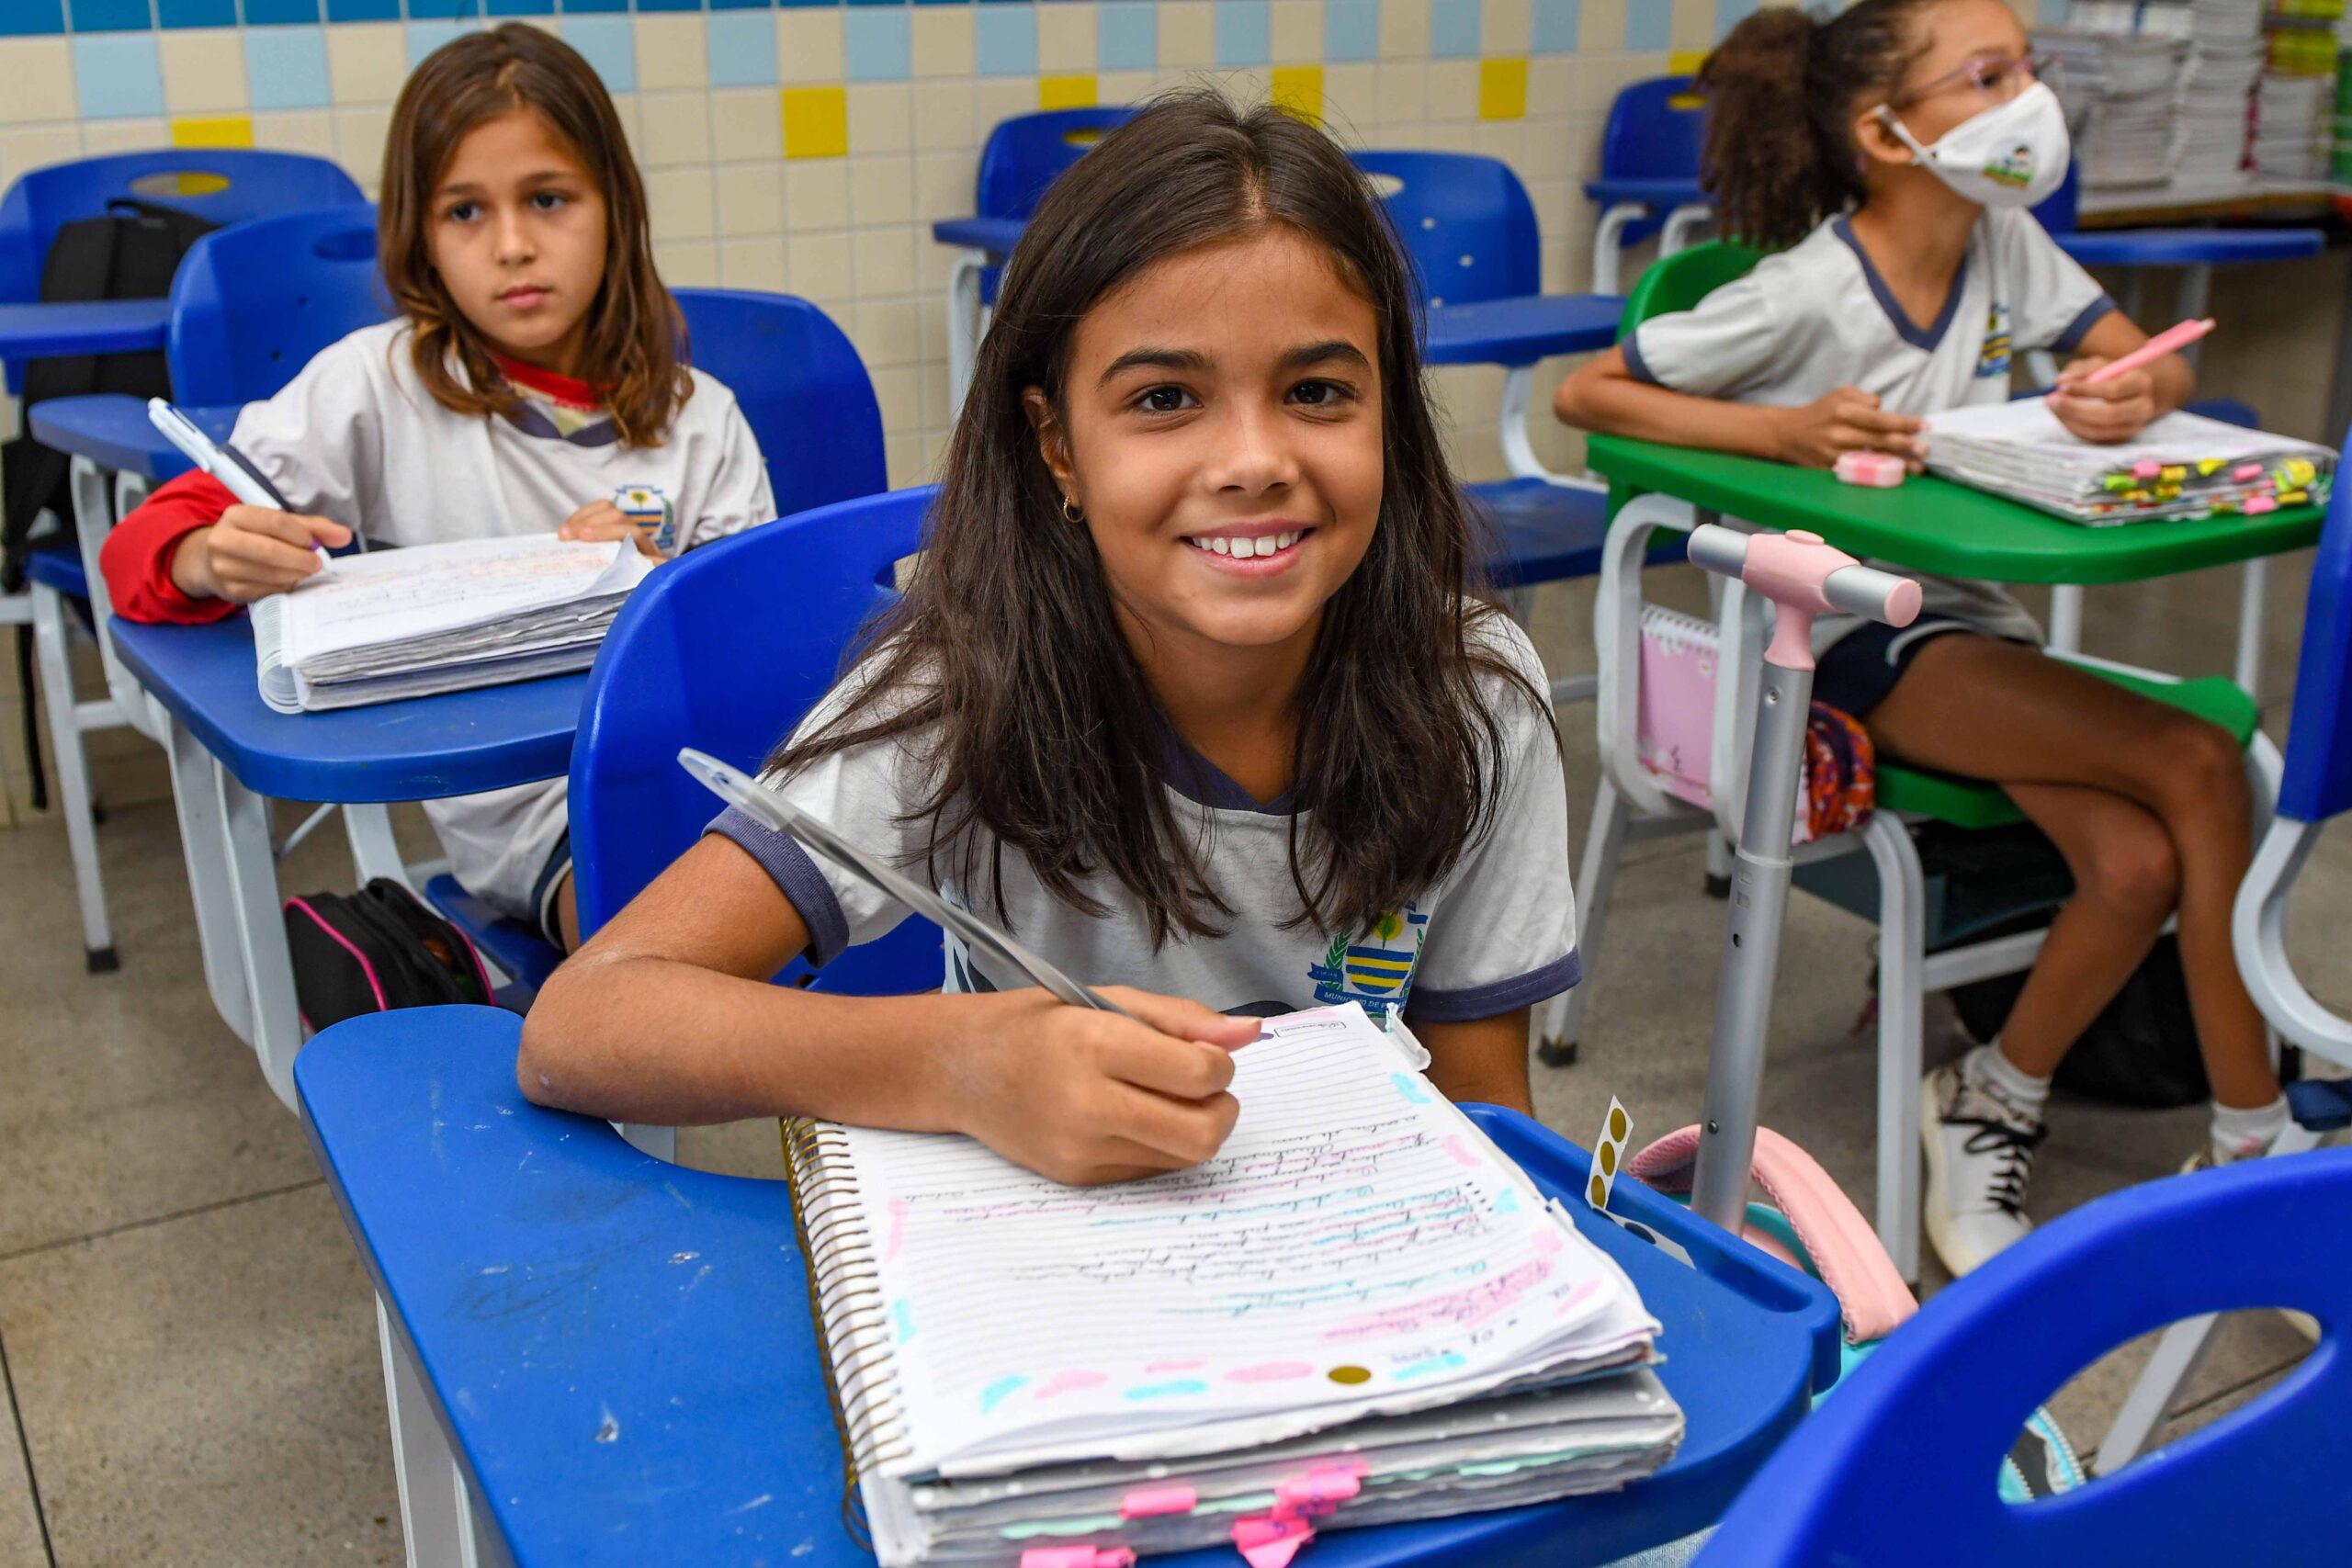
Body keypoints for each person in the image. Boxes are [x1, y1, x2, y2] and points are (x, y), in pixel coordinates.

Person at [517, 93, 1580, 1186]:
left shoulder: (1475, 692)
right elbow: (585, 1022)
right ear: (1058, 448)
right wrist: (960, 1064)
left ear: (1389, 416)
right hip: (1039, 1261)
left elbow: (1488, 1120)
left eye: (1316, 391)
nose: (1255, 462)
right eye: (1163, 399)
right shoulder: (960, 691)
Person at [1554, 0, 2284, 1277]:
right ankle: (2253, 1142)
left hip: (1967, 626)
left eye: (2026, 70)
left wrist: (2130, 392)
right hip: (1838, 640)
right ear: (1884, 133)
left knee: (2129, 864)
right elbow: (1591, 392)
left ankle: (1987, 1094)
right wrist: (1782, 433)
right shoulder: (1808, 288)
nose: (2027, 99)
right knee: (2198, 763)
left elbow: (2151, 362)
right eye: (1988, 76)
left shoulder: (2009, 247)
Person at [99, 24, 775, 953]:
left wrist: (661, 585)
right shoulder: (376, 384)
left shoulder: (703, 415)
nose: (512, 246)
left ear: (616, 207)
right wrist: (204, 555)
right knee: (676, 948)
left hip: (726, 778)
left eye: (548, 199)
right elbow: (136, 553)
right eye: (464, 212)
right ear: (419, 236)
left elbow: (759, 644)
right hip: (545, 818)